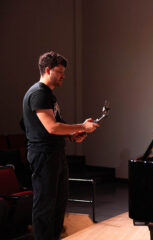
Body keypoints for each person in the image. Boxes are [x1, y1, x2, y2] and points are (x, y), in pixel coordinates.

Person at [22, 51, 99, 240]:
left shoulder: (48, 95)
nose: (64, 75)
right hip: (43, 156)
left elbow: (57, 125)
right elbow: (52, 127)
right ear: (48, 70)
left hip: (54, 154)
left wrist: (73, 136)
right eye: (60, 71)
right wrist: (82, 126)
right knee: (45, 206)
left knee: (57, 204)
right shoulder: (38, 93)